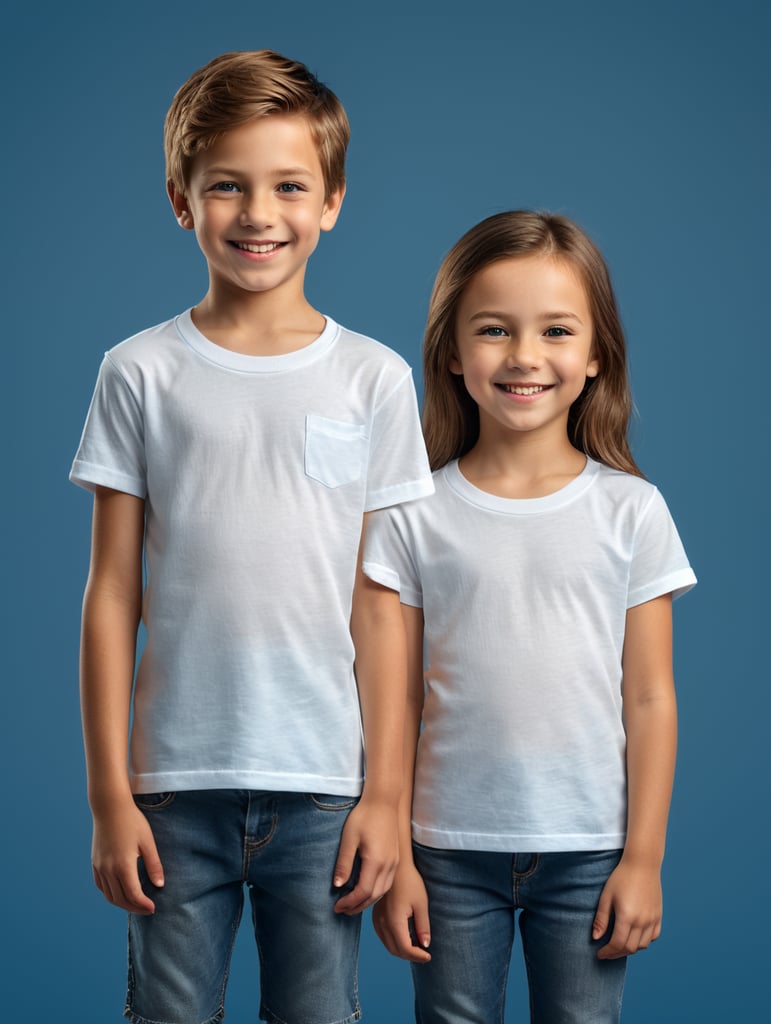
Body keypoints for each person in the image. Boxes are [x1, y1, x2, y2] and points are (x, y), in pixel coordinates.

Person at [70, 49, 433, 1024]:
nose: (258, 212)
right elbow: (111, 592)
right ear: (182, 200)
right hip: (171, 788)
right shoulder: (139, 372)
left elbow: (384, 602)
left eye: (288, 186)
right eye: (226, 185)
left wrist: (388, 796)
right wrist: (112, 794)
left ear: (333, 201)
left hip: (324, 790)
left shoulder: (374, 380)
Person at [364, 210, 697, 1023]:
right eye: (493, 330)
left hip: (590, 850)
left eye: (554, 330)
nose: (523, 356)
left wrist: (643, 859)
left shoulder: (632, 511)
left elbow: (648, 699)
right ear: (451, 352)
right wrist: (399, 855)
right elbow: (392, 699)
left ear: (593, 357)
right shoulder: (410, 516)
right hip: (445, 850)